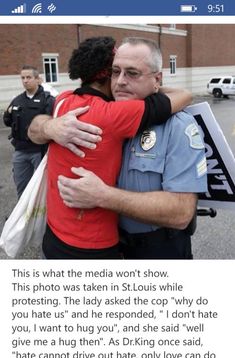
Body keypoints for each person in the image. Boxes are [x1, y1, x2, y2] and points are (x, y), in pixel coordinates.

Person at [38, 37, 208, 259]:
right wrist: (49, 127)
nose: (119, 82)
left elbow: (181, 213)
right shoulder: (109, 112)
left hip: (156, 250)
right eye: (114, 72)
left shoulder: (177, 126)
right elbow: (34, 126)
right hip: (113, 244)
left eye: (132, 73)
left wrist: (103, 196)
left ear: (157, 79)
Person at [3, 65, 55, 199]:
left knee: (42, 189)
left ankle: (42, 218)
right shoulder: (17, 100)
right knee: (22, 187)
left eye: (29, 77)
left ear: (38, 79)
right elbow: (7, 121)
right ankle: (23, 218)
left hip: (40, 152)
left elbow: (53, 125)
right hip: (20, 151)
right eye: (23, 78)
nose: (25, 81)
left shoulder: (47, 100)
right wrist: (8, 114)